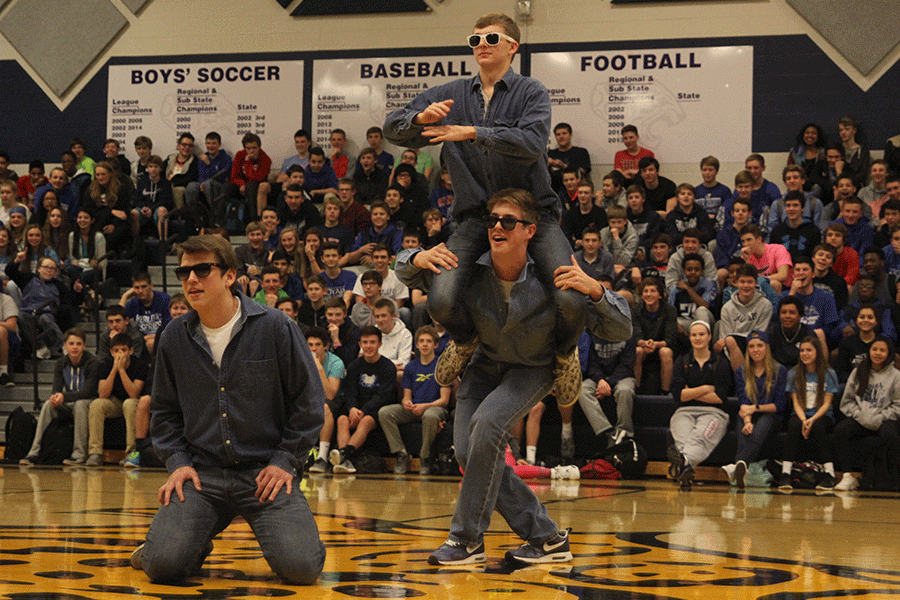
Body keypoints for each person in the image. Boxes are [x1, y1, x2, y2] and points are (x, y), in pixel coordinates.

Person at [395, 187, 631, 565]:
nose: (497, 228)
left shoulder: (555, 279)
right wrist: (416, 257)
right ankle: (547, 538)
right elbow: (405, 271)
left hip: (533, 368)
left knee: (486, 427)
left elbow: (621, 330)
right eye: (492, 221)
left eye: (509, 221)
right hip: (482, 365)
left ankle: (465, 540)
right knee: (468, 453)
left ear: (530, 232)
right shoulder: (470, 272)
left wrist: (598, 291)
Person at [383, 13, 585, 406]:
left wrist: (474, 132)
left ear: (513, 46)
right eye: (475, 40)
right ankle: (464, 340)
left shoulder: (531, 92)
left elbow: (530, 143)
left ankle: (564, 353)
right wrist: (417, 120)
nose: (482, 45)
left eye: (491, 38)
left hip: (533, 217)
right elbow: (392, 127)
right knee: (439, 301)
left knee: (572, 299)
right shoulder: (452, 94)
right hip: (477, 217)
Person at [131, 235, 326, 584]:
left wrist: (285, 462)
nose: (191, 279)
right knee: (161, 565)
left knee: (302, 569)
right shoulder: (173, 336)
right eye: (184, 271)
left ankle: (184, 539)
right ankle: (180, 542)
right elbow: (164, 412)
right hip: (202, 474)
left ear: (230, 276)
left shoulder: (275, 326)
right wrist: (177, 463)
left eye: (202, 270)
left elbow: (309, 404)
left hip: (264, 473)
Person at [19, 328, 99, 466]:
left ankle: (79, 454)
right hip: (69, 403)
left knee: (80, 404)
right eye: (71, 343)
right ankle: (34, 452)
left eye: (78, 344)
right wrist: (54, 397)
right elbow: (56, 389)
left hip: (89, 403)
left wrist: (64, 397)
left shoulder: (92, 362)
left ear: (84, 346)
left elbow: (89, 392)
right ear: (65, 345)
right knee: (47, 405)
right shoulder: (61, 363)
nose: (75, 347)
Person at [378, 325, 451, 475]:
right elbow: (406, 396)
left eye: (429, 341)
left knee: (430, 415)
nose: (425, 344)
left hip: (435, 407)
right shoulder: (411, 367)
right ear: (416, 345)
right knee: (385, 412)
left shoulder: (442, 366)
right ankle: (401, 453)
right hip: (415, 407)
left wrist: (425, 406)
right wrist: (406, 402)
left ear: (435, 345)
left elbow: (444, 400)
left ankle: (425, 457)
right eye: (421, 341)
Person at [668, 320, 732, 490]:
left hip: (714, 413)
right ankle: (685, 467)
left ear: (709, 337)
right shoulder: (681, 362)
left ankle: (683, 463)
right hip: (684, 411)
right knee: (683, 439)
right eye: (694, 335)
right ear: (689, 338)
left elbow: (719, 397)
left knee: (699, 438)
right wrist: (704, 389)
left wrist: (691, 392)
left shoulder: (721, 363)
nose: (697, 338)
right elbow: (679, 395)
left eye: (701, 334)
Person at [721, 331, 788, 488]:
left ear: (767, 348)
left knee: (759, 431)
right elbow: (743, 402)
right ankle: (741, 473)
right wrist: (747, 421)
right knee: (745, 431)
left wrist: (754, 408)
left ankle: (737, 465)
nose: (756, 350)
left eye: (760, 346)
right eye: (751, 346)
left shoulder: (779, 370)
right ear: (747, 350)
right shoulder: (742, 371)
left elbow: (779, 405)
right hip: (748, 414)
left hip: (771, 415)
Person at [834, 337, 900, 491]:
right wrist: (859, 415)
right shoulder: (858, 372)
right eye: (874, 349)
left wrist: (880, 417)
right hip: (861, 418)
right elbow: (847, 402)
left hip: (884, 419)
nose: (878, 353)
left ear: (889, 353)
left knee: (891, 434)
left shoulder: (896, 375)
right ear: (868, 352)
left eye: (882, 350)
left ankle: (893, 478)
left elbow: (898, 405)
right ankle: (848, 476)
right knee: (841, 430)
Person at [330, 325, 398, 474]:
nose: (368, 346)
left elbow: (383, 396)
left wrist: (362, 411)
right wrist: (353, 409)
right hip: (356, 408)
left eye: (372, 342)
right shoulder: (354, 365)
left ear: (380, 344)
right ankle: (345, 461)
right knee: (342, 419)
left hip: (376, 409)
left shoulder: (388, 367)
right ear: (360, 344)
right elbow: (350, 392)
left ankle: (343, 454)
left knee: (366, 421)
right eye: (365, 342)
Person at [778, 336, 838, 490]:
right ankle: (785, 474)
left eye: (809, 350)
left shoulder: (829, 373)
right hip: (801, 414)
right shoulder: (794, 373)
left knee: (818, 427)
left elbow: (827, 404)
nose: (805, 353)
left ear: (817, 352)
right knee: (793, 425)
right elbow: (796, 403)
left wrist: (812, 420)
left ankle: (829, 474)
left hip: (823, 416)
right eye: (802, 350)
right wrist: (805, 420)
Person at [85, 333, 148, 466]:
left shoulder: (140, 364)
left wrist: (122, 370)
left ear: (130, 351)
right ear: (111, 352)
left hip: (134, 401)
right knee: (97, 404)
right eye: (116, 351)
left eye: (124, 350)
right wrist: (114, 369)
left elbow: (133, 393)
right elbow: (102, 394)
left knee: (129, 403)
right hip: (115, 402)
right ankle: (95, 452)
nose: (120, 354)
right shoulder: (105, 364)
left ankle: (132, 453)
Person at [716, 263, 774, 371]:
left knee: (732, 340)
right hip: (732, 350)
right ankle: (742, 378)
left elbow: (759, 334)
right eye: (742, 282)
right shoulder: (727, 308)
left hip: (756, 348)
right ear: (736, 283)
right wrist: (733, 358)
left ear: (756, 283)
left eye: (749, 282)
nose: (746, 285)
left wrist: (732, 338)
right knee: (729, 342)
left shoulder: (765, 305)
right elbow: (725, 340)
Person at [305, 326, 346, 474]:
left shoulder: (336, 363)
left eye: (317, 345)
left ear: (325, 347)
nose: (313, 349)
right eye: (310, 345)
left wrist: (319, 368)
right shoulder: (300, 360)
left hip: (335, 402)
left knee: (324, 407)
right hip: (309, 398)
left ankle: (322, 457)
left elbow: (330, 394)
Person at [632, 276, 676, 394]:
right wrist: (644, 343)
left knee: (665, 352)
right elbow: (636, 335)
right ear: (641, 295)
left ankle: (665, 392)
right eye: (645, 291)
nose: (648, 294)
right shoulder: (636, 310)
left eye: (653, 291)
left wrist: (655, 344)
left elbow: (670, 338)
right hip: (644, 347)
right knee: (637, 351)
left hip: (662, 346)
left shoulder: (670, 310)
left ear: (660, 295)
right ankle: (637, 390)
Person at [120, 273, 171, 355]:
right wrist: (124, 296)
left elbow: (167, 330)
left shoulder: (164, 299)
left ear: (151, 286)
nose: (140, 291)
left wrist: (141, 338)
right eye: (137, 287)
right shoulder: (134, 302)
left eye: (144, 287)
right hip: (141, 341)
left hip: (162, 338)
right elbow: (118, 316)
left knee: (150, 343)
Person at [226, 133, 272, 223]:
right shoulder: (239, 155)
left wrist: (248, 162)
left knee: (251, 186)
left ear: (259, 147)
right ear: (245, 148)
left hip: (256, 187)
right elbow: (233, 176)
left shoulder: (265, 159)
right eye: (248, 148)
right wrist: (242, 184)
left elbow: (255, 178)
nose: (251, 151)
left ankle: (254, 221)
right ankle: (222, 221)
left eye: (254, 148)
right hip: (242, 186)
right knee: (227, 187)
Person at [769, 191, 821, 263]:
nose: (791, 209)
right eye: (788, 205)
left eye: (795, 205)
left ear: (802, 208)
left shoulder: (813, 231)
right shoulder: (777, 231)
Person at [767, 295, 813, 369]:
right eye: (783, 312)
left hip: (801, 372)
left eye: (792, 312)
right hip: (777, 373)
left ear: (800, 316)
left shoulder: (808, 334)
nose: (787, 316)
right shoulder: (771, 332)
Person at [560, 179, 606, 249]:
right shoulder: (571, 213)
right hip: (576, 249)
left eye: (586, 193)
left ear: (592, 194)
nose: (582, 195)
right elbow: (566, 235)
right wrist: (575, 242)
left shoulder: (600, 213)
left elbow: (603, 235)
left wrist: (584, 242)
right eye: (580, 193)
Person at [547, 122, 591, 191]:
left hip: (576, 193)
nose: (561, 136)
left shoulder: (581, 152)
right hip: (554, 192)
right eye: (558, 134)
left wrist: (563, 166)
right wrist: (548, 165)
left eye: (564, 133)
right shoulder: (550, 154)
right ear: (556, 137)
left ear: (570, 135)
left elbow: (581, 173)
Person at [694, 155, 731, 222]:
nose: (707, 173)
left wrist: (714, 216)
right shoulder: (695, 191)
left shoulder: (725, 191)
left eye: (710, 170)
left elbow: (727, 212)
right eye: (704, 170)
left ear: (716, 171)